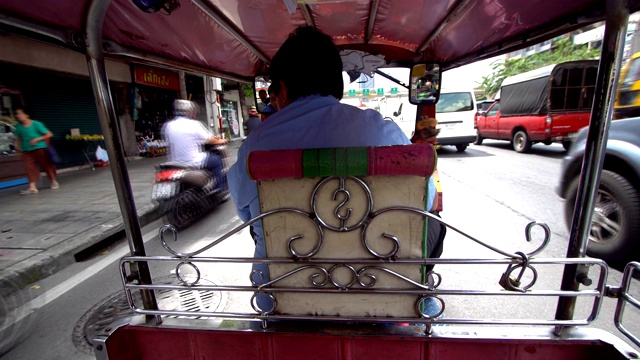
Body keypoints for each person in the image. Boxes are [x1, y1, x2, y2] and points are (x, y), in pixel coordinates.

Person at [228, 26, 439, 313]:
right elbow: (422, 203)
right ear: (334, 84)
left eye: (272, 94)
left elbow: (246, 216)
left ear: (284, 88)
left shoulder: (255, 146)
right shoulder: (381, 130)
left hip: (282, 301)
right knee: (433, 223)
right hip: (383, 295)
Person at [162, 100, 227, 187]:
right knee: (217, 161)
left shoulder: (168, 125)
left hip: (175, 162)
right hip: (193, 161)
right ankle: (220, 189)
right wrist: (222, 141)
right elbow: (211, 140)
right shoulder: (194, 124)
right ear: (189, 112)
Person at [12, 106, 59, 194]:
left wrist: (37, 139)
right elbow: (18, 138)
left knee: (46, 165)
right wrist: (18, 150)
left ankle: (53, 181)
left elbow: (49, 134)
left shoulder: (36, 124)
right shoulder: (18, 126)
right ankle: (32, 187)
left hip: (40, 148)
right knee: (29, 167)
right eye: (16, 114)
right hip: (26, 150)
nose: (17, 115)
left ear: (27, 115)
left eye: (19, 113)